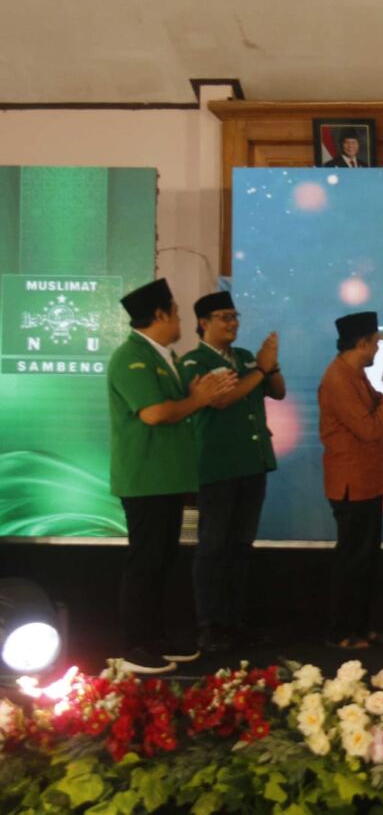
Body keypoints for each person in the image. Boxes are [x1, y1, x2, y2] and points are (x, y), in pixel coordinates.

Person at [107, 279, 237, 674]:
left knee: (164, 561)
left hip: (169, 478)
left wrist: (196, 394)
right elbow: (154, 413)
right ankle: (135, 646)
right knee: (145, 562)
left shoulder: (165, 356)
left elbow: (179, 405)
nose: (181, 321)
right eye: (176, 313)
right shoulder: (131, 358)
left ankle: (157, 638)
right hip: (145, 478)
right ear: (159, 315)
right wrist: (197, 399)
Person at [179, 291, 286, 654]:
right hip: (217, 467)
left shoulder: (243, 357)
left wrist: (271, 366)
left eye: (235, 316)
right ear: (203, 323)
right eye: (224, 317)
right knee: (213, 547)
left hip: (253, 463)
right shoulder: (194, 362)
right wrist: (259, 370)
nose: (233, 323)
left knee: (240, 546)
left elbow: (278, 392)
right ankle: (208, 625)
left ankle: (234, 621)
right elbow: (221, 399)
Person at [318, 311, 383, 648]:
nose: (378, 349)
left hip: (367, 481)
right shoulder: (338, 379)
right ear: (362, 343)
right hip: (352, 484)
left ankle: (360, 628)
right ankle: (341, 632)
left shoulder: (354, 375)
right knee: (352, 560)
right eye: (375, 343)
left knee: (365, 560)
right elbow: (369, 428)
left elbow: (377, 408)